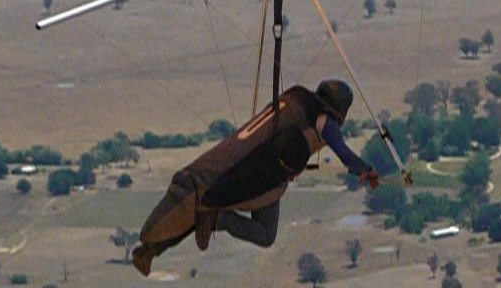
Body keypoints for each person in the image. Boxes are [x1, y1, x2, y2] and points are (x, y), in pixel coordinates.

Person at [131, 79, 379, 276]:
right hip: (262, 177)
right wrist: (366, 170)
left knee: (202, 203)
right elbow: (343, 152)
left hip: (263, 170)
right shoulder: (322, 119)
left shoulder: (295, 100)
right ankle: (219, 219)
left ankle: (150, 250)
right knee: (264, 233)